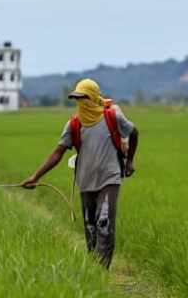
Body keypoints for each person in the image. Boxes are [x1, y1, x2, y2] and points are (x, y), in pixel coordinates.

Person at [22, 79, 139, 269]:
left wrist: (130, 160)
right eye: (77, 98)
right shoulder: (74, 123)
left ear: (93, 98)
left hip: (110, 177)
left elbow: (134, 133)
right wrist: (36, 176)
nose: (80, 102)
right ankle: (93, 266)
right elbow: (58, 152)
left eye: (83, 97)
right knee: (90, 227)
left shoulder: (112, 117)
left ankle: (101, 269)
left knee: (104, 222)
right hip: (85, 181)